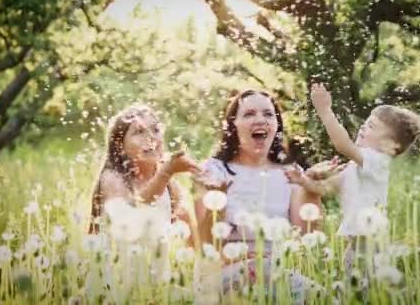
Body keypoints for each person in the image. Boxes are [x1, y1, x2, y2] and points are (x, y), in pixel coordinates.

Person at [192, 90, 323, 303]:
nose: (260, 119)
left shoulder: (291, 172)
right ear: (233, 125)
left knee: (324, 299)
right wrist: (219, 198)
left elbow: (307, 234)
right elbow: (206, 243)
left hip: (278, 273)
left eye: (268, 114)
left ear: (276, 126)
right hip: (224, 274)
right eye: (249, 113)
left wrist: (313, 187)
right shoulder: (213, 171)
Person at [286, 83, 420, 273]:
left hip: (372, 247)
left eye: (371, 126)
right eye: (366, 122)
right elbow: (324, 189)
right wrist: (302, 179)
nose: (363, 126)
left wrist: (325, 112)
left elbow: (343, 145)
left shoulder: (378, 162)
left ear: (390, 145)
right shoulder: (355, 167)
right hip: (354, 247)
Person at [88, 103, 200, 235]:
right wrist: (166, 172)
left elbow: (189, 233)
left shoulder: (169, 185)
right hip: (118, 255)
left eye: (156, 130)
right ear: (119, 146)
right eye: (139, 132)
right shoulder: (112, 178)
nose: (151, 137)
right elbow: (130, 219)